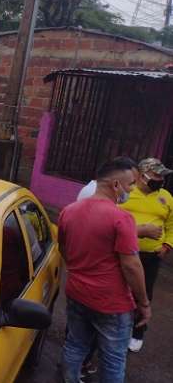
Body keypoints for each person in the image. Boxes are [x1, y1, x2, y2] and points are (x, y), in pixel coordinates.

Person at [59, 158, 151, 383]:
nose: (131, 190)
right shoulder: (122, 218)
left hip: (77, 292)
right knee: (113, 359)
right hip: (111, 302)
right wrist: (144, 304)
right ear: (116, 185)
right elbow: (131, 265)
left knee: (75, 345)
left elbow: (64, 249)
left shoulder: (69, 211)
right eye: (130, 185)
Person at [120, 158, 173, 352]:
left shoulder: (166, 197)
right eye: (157, 175)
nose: (161, 179)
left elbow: (171, 225)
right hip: (123, 253)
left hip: (150, 256)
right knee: (118, 290)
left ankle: (137, 332)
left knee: (143, 293)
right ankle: (115, 327)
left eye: (162, 176)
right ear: (142, 176)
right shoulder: (126, 193)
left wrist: (167, 245)